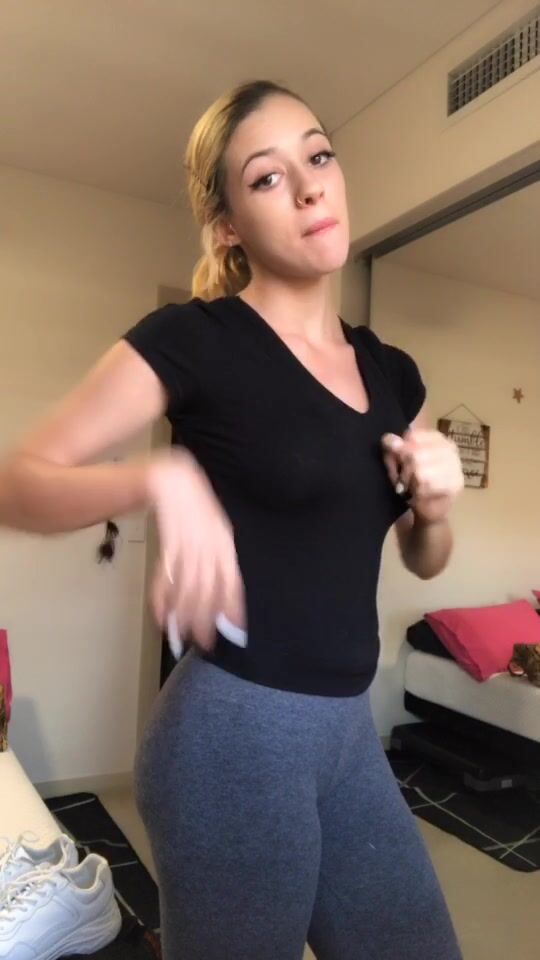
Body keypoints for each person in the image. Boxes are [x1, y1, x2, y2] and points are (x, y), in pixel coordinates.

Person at [0, 80, 465, 959]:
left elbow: (423, 556)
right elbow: (18, 482)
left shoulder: (392, 372)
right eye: (267, 177)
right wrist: (161, 476)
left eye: (319, 155)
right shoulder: (197, 339)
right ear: (227, 227)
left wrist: (436, 509)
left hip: (348, 735)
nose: (310, 186)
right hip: (231, 740)